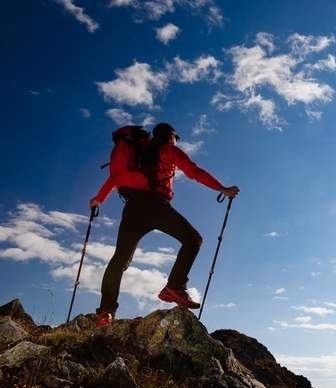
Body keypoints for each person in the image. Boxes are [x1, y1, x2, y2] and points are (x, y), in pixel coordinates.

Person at [90, 122, 239, 327]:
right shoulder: (167, 149)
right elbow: (194, 172)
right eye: (176, 138)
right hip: (155, 205)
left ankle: (106, 311)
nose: (176, 141)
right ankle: (174, 286)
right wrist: (222, 188)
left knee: (119, 260)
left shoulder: (136, 153)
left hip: (132, 208)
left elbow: (115, 178)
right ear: (170, 136)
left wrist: (98, 199)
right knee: (193, 239)